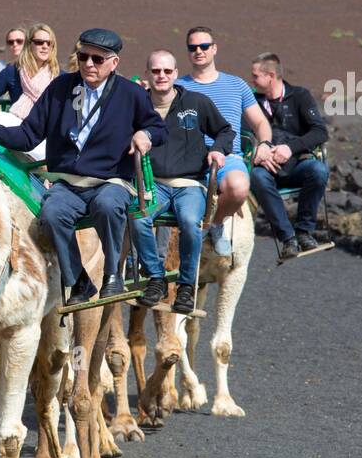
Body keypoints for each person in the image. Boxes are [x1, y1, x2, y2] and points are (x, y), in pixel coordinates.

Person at [0, 28, 166, 305]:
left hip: (111, 180)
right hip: (67, 182)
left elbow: (157, 126)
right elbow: (28, 135)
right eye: (83, 57)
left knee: (108, 205)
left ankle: (112, 276)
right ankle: (79, 281)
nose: (88, 64)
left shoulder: (131, 94)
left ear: (114, 63)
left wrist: (145, 135)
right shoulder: (60, 89)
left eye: (97, 59)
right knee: (51, 213)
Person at [131, 51, 233, 314]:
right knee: (138, 218)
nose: (161, 76)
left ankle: (187, 285)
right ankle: (156, 279)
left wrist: (218, 149)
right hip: (153, 184)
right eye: (156, 71)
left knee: (190, 222)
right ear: (147, 74)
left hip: (189, 184)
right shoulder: (137, 105)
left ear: (176, 74)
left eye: (167, 71)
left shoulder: (195, 102)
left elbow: (225, 130)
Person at [175, 25, 273, 257]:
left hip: (227, 157)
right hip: (189, 160)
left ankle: (215, 225)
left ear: (214, 49)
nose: (199, 51)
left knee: (239, 187)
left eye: (204, 46)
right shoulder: (177, 86)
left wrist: (265, 144)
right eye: (193, 47)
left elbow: (260, 122)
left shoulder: (236, 85)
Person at [248, 52, 330, 260]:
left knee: (319, 170)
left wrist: (290, 148)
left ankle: (304, 233)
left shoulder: (300, 96)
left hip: (295, 167)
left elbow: (320, 132)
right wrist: (257, 153)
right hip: (264, 171)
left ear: (272, 76)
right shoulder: (251, 101)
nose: (252, 80)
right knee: (257, 176)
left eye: (256, 76)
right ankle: (288, 238)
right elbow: (241, 135)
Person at [0, 22, 60, 120]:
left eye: (49, 43)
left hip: (49, 132)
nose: (45, 46)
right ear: (29, 44)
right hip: (18, 129)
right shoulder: (12, 71)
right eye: (39, 42)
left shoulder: (59, 75)